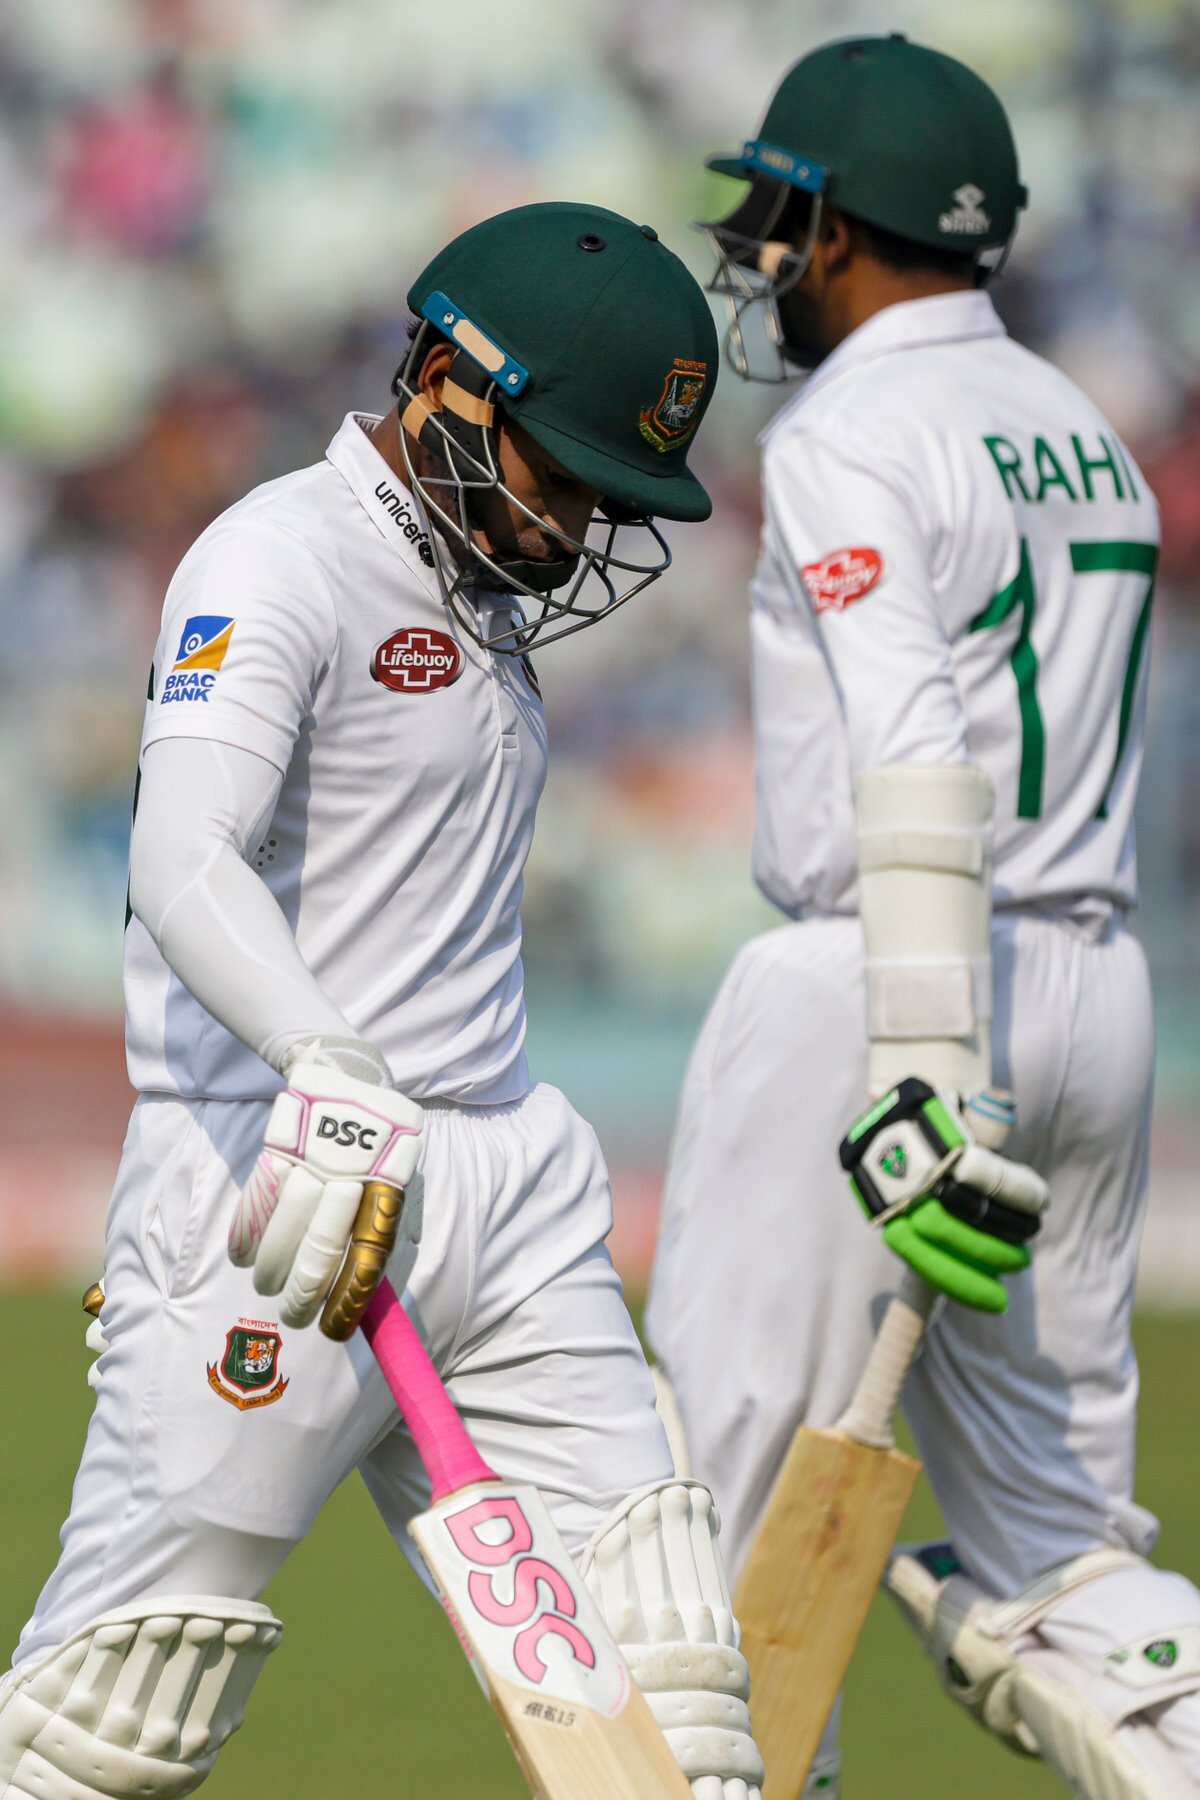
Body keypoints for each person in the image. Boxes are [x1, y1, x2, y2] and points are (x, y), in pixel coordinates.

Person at [1, 201, 763, 1800]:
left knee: (671, 1694)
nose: (572, 530)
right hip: (278, 1187)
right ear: (446, 382)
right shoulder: (278, 554)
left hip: (506, 1181)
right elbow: (180, 851)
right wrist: (322, 1062)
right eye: (559, 470)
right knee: (112, 1721)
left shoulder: (482, 581)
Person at [647, 35, 1200, 1800]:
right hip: (1097, 993)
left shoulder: (852, 429)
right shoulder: (1081, 431)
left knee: (713, 1548)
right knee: (1055, 1564)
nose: (761, 254)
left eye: (780, 216)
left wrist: (920, 1059)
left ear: (843, 226)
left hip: (883, 993)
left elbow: (906, 743)